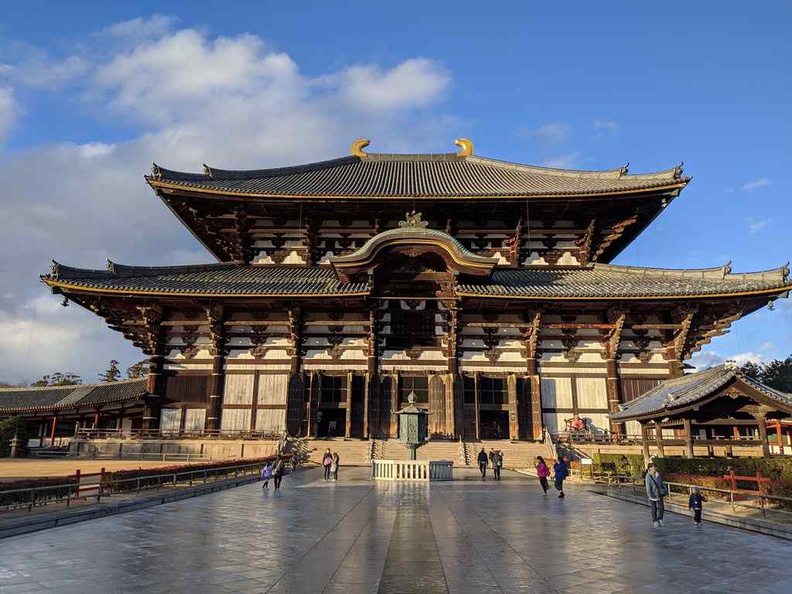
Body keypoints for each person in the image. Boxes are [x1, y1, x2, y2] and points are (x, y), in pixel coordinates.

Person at [645, 463, 668, 527]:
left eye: (655, 467)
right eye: (653, 467)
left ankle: (660, 518)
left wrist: (665, 489)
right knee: (654, 508)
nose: (655, 468)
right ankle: (655, 520)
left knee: (662, 507)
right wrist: (649, 494)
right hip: (653, 494)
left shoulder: (658, 474)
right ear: (650, 468)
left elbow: (661, 482)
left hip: (660, 493)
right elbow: (648, 486)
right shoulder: (648, 476)